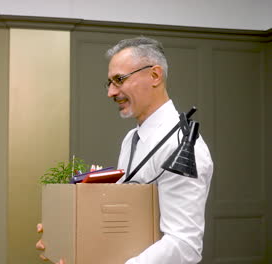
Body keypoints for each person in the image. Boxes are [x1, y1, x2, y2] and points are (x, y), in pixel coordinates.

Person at [36, 36, 213, 264]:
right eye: (109, 83)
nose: (111, 92)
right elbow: (124, 217)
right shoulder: (131, 139)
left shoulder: (182, 147)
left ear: (155, 75)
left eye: (119, 80)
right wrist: (66, 236)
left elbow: (184, 245)